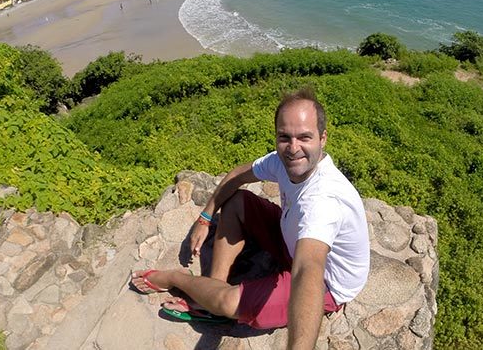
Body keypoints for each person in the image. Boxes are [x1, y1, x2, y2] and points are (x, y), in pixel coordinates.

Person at [131, 88, 370, 349]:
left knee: (226, 304)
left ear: (323, 139)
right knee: (236, 202)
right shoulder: (284, 161)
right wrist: (205, 217)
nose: (293, 148)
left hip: (326, 280)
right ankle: (212, 287)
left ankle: (177, 280)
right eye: (284, 137)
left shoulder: (323, 201)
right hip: (290, 236)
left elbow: (308, 269)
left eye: (305, 137)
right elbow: (239, 176)